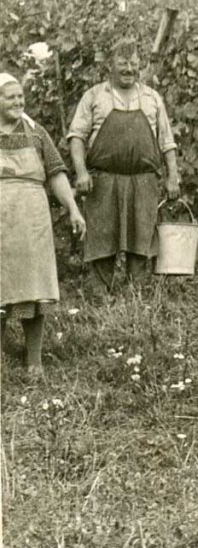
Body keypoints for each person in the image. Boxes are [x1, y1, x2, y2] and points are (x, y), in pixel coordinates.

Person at [67, 45, 180, 289]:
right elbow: (76, 137)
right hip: (103, 180)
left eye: (133, 63)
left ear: (139, 65)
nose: (129, 69)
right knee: (102, 238)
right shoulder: (95, 96)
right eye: (123, 64)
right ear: (110, 66)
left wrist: (173, 176)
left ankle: (136, 294)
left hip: (143, 180)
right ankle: (99, 296)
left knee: (141, 237)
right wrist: (82, 173)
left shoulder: (152, 98)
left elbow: (167, 141)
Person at [0, 72, 86, 378]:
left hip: (32, 219)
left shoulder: (37, 133)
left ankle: (34, 359)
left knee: (34, 287)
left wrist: (73, 209)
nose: (18, 102)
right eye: (10, 97)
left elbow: (56, 174)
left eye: (20, 96)